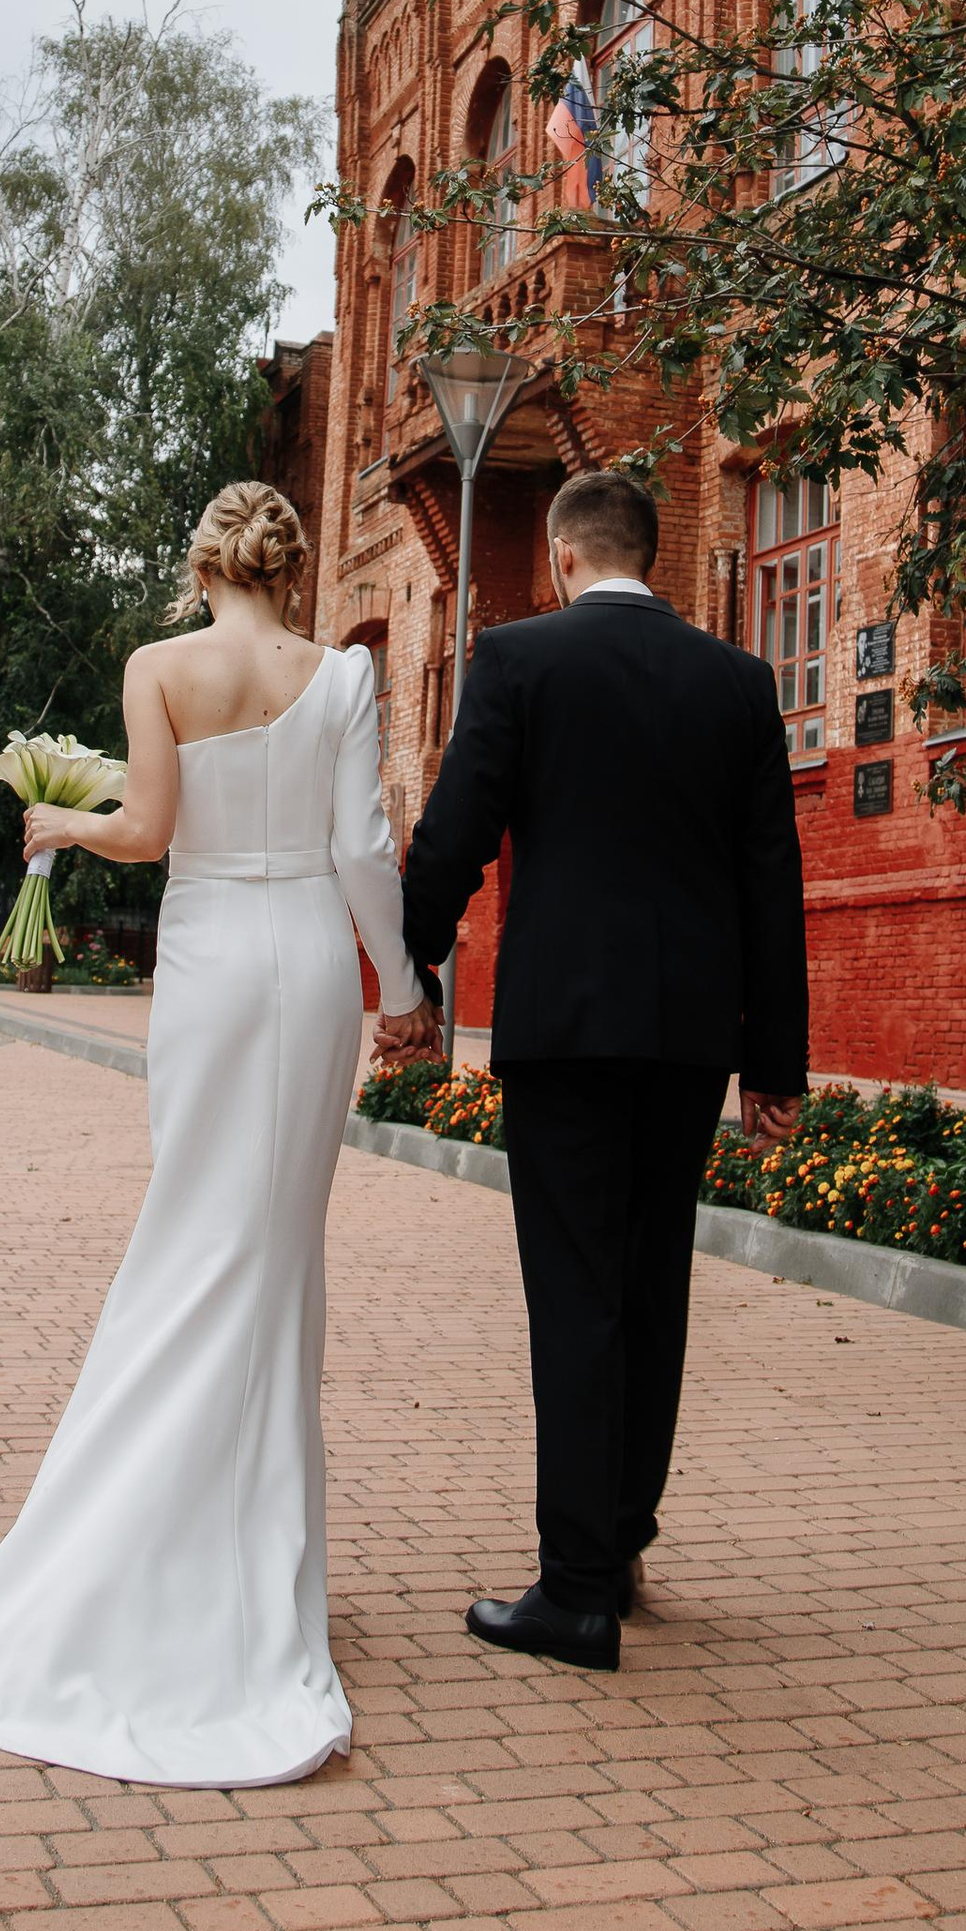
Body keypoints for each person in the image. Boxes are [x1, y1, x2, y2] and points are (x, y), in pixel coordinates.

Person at [0, 480, 428, 1786]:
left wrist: (61, 825)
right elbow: (363, 849)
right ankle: (255, 1570)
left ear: (203, 563)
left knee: (196, 1235)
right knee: (274, 1258)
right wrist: (408, 990)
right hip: (311, 966)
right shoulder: (339, 675)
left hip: (209, 966)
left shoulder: (159, 666)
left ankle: (168, 1549)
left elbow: (146, 834)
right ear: (292, 563)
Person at [390, 468, 807, 1671]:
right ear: (656, 559)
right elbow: (769, 879)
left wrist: (409, 978)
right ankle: (620, 1542)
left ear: (566, 559)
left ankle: (574, 1591)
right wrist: (771, 1060)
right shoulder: (737, 682)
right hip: (686, 1038)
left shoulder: (519, 663)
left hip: (565, 1032)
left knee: (575, 1294)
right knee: (650, 1283)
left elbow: (455, 832)